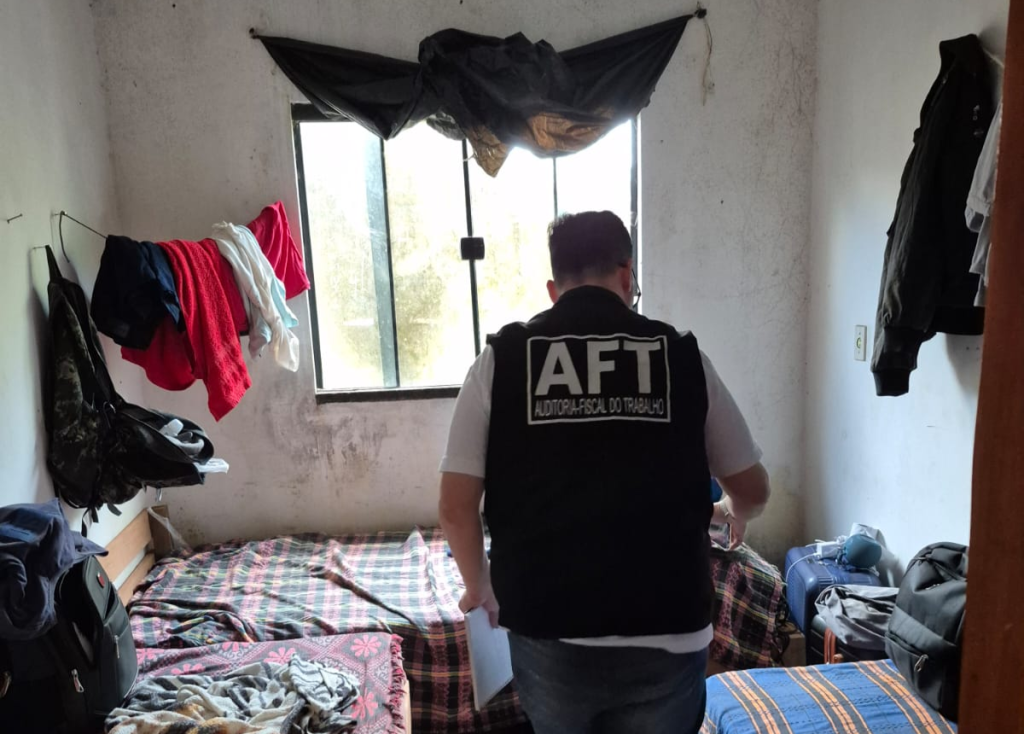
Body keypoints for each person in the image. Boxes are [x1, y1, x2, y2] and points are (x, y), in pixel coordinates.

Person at [438, 210, 770, 734]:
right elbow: (753, 488)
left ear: (554, 290)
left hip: (547, 629)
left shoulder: (500, 361)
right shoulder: (682, 355)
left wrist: (480, 586)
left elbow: (456, 509)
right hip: (669, 625)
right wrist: (732, 510)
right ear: (626, 276)